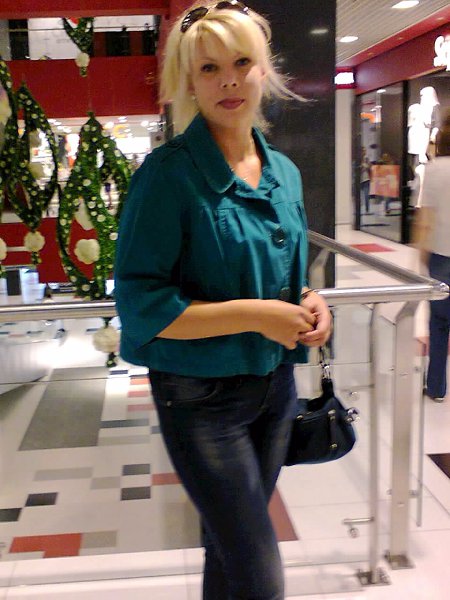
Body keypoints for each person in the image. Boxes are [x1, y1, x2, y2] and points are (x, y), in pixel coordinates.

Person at [114, 3, 332, 599]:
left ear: (264, 70)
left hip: (274, 389)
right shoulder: (168, 175)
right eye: (209, 69)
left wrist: (309, 301)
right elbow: (140, 304)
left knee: (228, 551)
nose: (229, 81)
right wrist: (259, 316)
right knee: (259, 569)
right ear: (189, 80)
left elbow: (280, 273)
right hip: (200, 400)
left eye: (241, 63)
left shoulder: (283, 171)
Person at [413, 113, 450, 403]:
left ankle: (436, 387)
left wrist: (421, 256)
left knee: (438, 324)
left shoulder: (435, 169)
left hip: (442, 257)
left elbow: (425, 219)